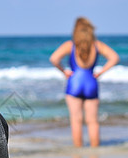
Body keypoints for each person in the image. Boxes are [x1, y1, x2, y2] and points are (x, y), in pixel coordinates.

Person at [50, 17, 119, 147]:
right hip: (91, 83)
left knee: (76, 121)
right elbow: (114, 58)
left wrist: (64, 71)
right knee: (92, 122)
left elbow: (54, 59)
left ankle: (78, 151)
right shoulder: (97, 45)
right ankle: (95, 151)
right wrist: (101, 72)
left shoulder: (70, 45)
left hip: (74, 83)